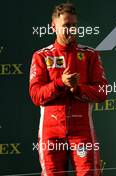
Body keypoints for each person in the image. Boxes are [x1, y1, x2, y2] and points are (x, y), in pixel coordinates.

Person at [29, 3, 107, 176]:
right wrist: (60, 83)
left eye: (74, 26)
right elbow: (36, 96)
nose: (71, 30)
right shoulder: (42, 55)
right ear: (53, 26)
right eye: (66, 26)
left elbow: (102, 92)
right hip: (51, 133)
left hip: (82, 131)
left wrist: (77, 89)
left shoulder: (90, 54)